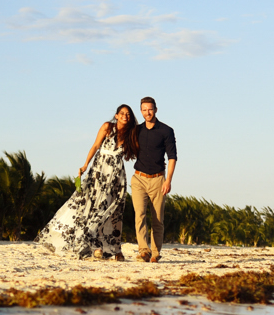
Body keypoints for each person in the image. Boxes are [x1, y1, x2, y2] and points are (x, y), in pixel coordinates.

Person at [37, 104, 139, 260]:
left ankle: (114, 249)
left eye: (128, 114)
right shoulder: (107, 127)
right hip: (99, 171)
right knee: (96, 206)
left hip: (117, 174)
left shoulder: (131, 134)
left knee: (114, 210)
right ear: (117, 115)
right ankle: (96, 247)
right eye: (122, 113)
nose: (125, 116)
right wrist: (85, 165)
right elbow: (96, 145)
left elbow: (139, 151)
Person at [130, 96, 176, 263]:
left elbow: (172, 157)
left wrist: (168, 180)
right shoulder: (136, 130)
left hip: (158, 179)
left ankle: (155, 253)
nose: (147, 112)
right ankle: (143, 250)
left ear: (156, 109)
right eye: (144, 110)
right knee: (140, 214)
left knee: (157, 219)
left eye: (150, 109)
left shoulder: (166, 131)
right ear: (141, 111)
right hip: (139, 178)